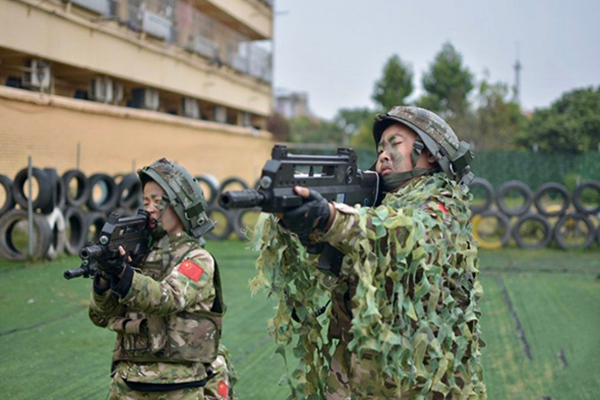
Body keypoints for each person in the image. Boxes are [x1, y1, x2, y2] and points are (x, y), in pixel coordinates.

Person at [255, 106, 486, 399]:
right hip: (357, 375)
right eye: (379, 149)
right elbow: (346, 260)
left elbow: (400, 235)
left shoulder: (443, 205)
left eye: (394, 144)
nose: (383, 155)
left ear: (430, 152)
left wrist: (330, 217)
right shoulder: (381, 206)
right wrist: (307, 228)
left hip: (415, 384)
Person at [89, 158, 236, 400]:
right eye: (145, 201)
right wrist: (105, 280)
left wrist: (124, 275)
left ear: (180, 205)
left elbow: (168, 298)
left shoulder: (197, 258)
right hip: (128, 383)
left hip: (180, 386)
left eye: (158, 201)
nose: (149, 208)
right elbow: (100, 315)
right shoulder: (139, 254)